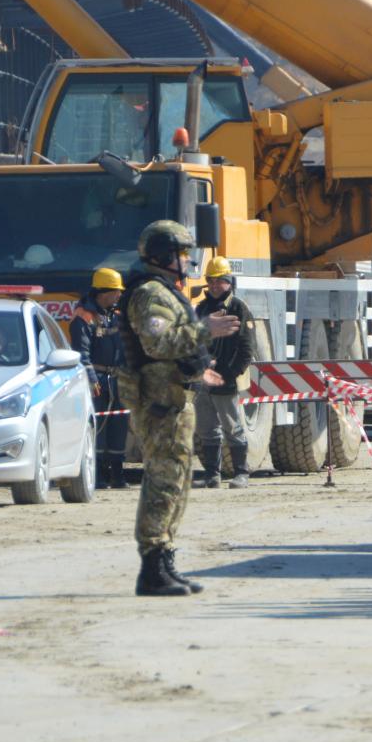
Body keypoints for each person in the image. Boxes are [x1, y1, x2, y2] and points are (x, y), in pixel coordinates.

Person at [119, 221, 240, 597]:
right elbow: (157, 343)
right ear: (162, 256)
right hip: (160, 402)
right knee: (164, 480)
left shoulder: (168, 292)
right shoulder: (151, 294)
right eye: (181, 254)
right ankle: (153, 566)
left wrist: (200, 364)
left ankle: (166, 558)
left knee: (178, 480)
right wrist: (206, 329)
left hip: (174, 397)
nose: (187, 261)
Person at [194, 256, 256, 489]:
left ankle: (241, 473)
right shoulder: (201, 309)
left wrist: (230, 374)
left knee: (232, 427)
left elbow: (246, 348)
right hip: (203, 381)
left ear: (229, 281)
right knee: (207, 429)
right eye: (211, 281)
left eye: (220, 281)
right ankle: (212, 475)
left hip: (226, 380)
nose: (215, 285)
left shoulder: (239, 308)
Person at [74, 268, 129, 488]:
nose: (119, 295)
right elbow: (81, 352)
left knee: (119, 426)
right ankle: (96, 475)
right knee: (98, 427)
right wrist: (90, 378)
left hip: (117, 378)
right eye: (116, 291)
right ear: (103, 292)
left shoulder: (115, 315)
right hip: (96, 379)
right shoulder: (83, 316)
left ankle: (117, 474)